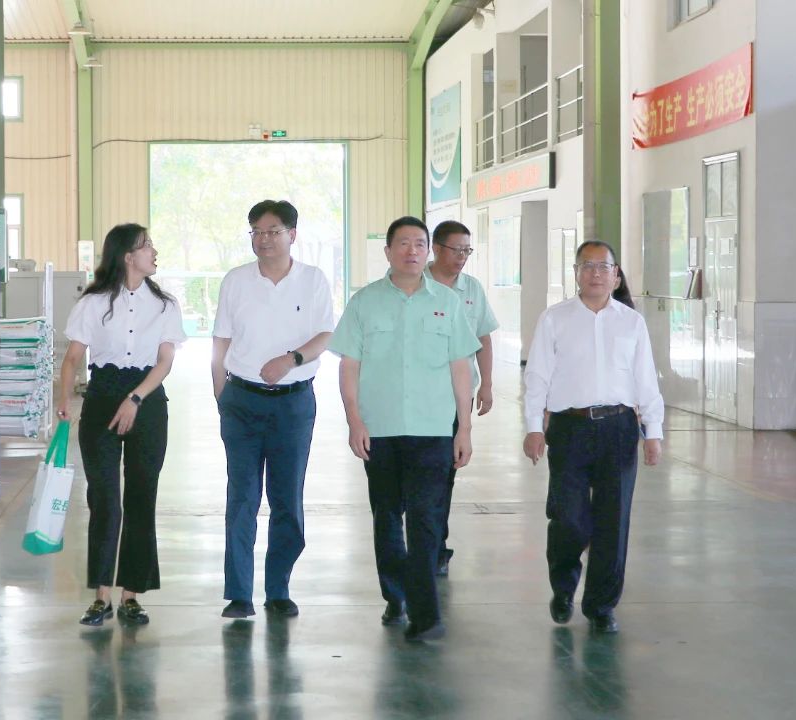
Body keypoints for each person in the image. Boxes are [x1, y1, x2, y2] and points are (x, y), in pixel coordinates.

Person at [329, 216, 479, 642]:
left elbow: (460, 368)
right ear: (388, 251)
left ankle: (426, 614)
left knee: (427, 520)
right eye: (403, 243)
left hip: (433, 429)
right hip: (380, 429)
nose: (412, 251)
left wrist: (464, 428)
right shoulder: (365, 302)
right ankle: (395, 595)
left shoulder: (447, 302)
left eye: (419, 243)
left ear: (428, 251)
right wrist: (354, 420)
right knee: (387, 517)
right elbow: (349, 365)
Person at [522, 240, 663, 634]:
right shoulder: (554, 319)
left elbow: (645, 379)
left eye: (603, 267)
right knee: (569, 518)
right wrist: (533, 427)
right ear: (576, 273)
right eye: (587, 266)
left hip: (619, 428)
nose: (595, 274)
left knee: (613, 520)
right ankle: (564, 587)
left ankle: (601, 605)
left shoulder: (631, 322)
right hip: (569, 428)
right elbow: (537, 377)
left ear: (616, 275)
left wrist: (653, 432)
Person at [57, 223, 186, 627]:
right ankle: (101, 597)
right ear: (128, 256)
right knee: (104, 500)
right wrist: (64, 401)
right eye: (147, 246)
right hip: (101, 400)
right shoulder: (94, 302)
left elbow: (165, 362)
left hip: (147, 400)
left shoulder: (165, 305)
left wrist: (135, 399)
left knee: (142, 498)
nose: (154, 252)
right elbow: (73, 358)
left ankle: (131, 595)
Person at [211, 199, 335, 619]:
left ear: (292, 235)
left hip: (293, 404)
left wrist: (291, 360)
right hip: (242, 403)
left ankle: (278, 589)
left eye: (272, 231)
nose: (263, 239)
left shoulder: (312, 280)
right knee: (242, 498)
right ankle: (239, 594)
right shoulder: (236, 281)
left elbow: (325, 335)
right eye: (256, 232)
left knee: (287, 499)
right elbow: (221, 341)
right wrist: (221, 394)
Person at [426, 220, 499, 576]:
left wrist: (486, 384)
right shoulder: (416, 284)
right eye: (456, 250)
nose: (462, 257)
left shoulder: (471, 288)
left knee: (445, 471)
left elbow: (483, 337)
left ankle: (436, 547)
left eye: (467, 250)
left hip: (458, 396)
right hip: (417, 396)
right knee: (418, 473)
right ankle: (421, 542)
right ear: (436, 249)